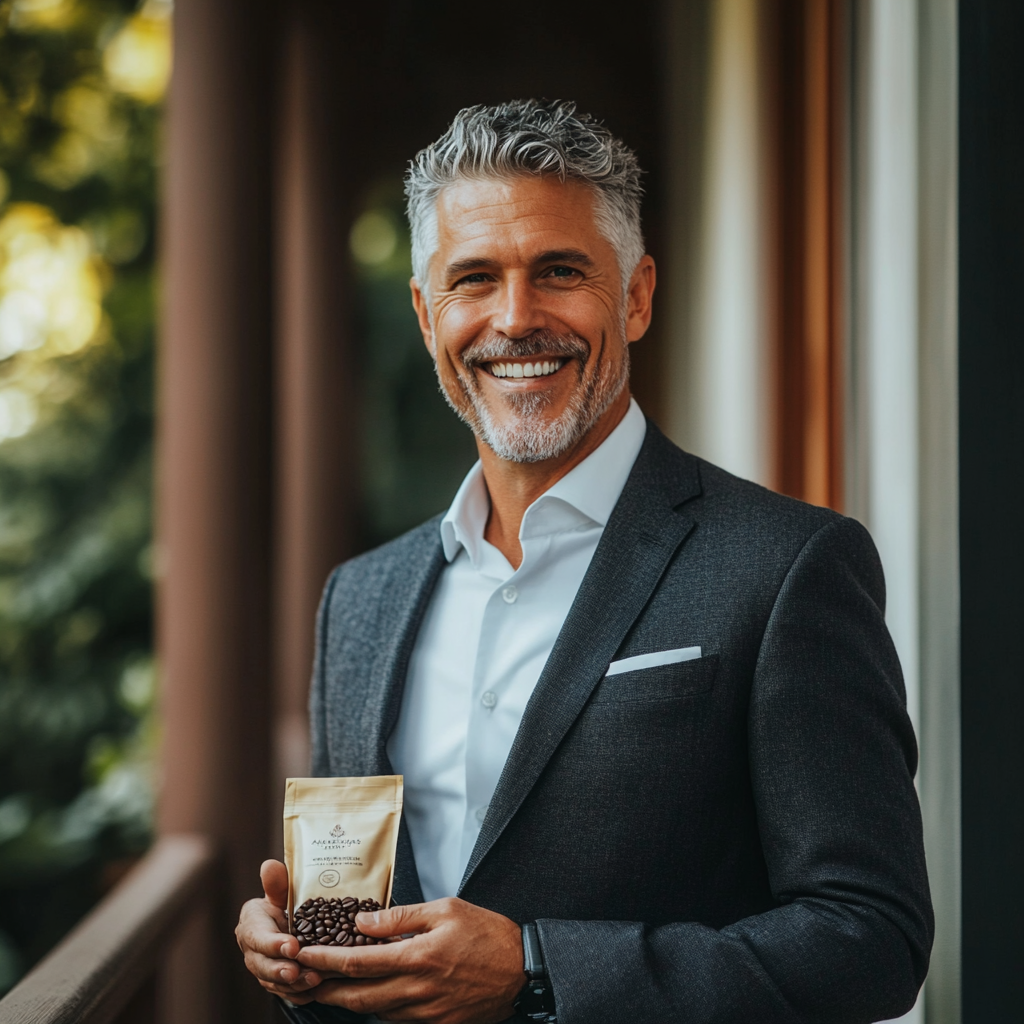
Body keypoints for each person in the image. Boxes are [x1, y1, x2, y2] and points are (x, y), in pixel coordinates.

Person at [236, 99, 932, 1024]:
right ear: (424, 311)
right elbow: (357, 916)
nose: (516, 319)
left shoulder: (791, 566)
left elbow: (871, 941)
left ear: (636, 296)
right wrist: (299, 950)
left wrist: (535, 967)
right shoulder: (359, 600)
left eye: (560, 271)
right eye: (473, 278)